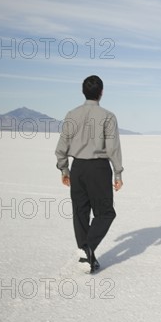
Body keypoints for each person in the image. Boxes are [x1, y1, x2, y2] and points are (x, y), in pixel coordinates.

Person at [55, 75, 124, 273]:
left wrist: (64, 169)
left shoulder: (71, 114)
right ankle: (87, 248)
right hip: (99, 169)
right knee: (106, 212)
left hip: (77, 168)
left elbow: (62, 146)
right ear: (101, 92)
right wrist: (117, 174)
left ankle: (87, 257)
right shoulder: (108, 116)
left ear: (83, 92)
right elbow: (113, 148)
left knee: (81, 212)